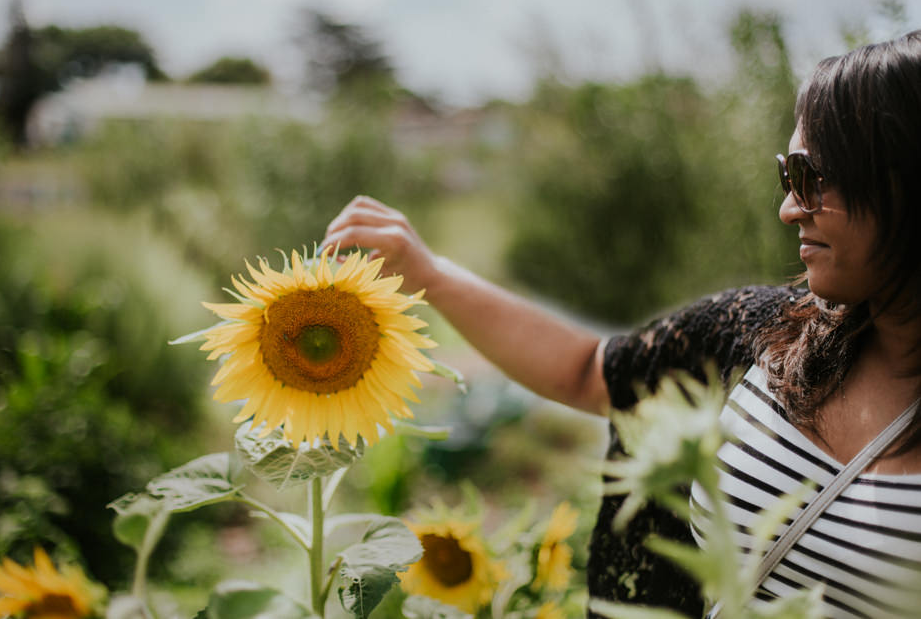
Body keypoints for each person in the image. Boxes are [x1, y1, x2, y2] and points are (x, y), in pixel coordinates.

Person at [322, 31, 921, 618]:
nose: (789, 207)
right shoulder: (769, 338)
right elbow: (591, 369)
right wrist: (429, 271)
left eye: (812, 177)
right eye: (787, 175)